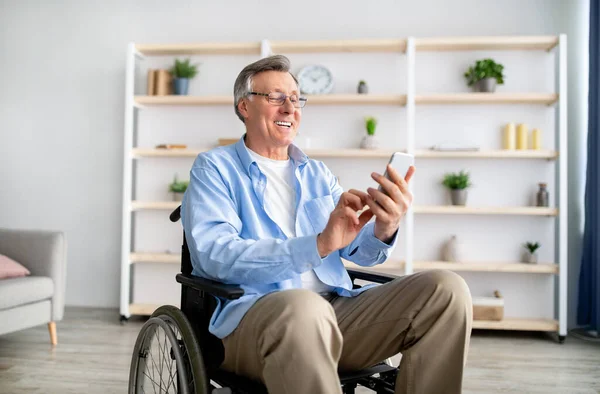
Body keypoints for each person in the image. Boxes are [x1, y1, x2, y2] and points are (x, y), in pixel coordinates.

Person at [181, 55, 472, 394]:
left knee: (446, 290)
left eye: (295, 98)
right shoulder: (214, 168)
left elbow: (357, 251)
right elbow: (215, 256)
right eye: (276, 97)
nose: (290, 108)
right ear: (244, 106)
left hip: (335, 314)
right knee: (304, 308)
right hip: (252, 322)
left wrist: (384, 226)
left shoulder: (317, 173)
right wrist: (318, 244)